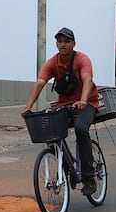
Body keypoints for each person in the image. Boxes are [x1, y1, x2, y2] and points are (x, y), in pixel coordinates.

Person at [22, 27, 101, 195]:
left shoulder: (82, 59)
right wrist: (28, 107)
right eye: (60, 41)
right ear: (56, 44)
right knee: (52, 132)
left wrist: (83, 100)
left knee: (80, 128)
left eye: (66, 41)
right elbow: (40, 83)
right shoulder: (53, 62)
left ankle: (88, 178)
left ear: (74, 43)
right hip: (63, 105)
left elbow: (88, 80)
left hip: (86, 104)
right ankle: (68, 168)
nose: (63, 44)